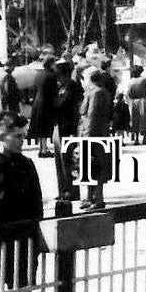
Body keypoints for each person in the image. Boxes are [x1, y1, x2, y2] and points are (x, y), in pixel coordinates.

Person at [0, 111, 48, 292]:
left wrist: (37, 234)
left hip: (24, 238)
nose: (22, 141)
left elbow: (37, 202)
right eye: (16, 137)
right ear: (1, 136)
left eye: (24, 136)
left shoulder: (27, 164)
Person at [77, 67, 114, 209]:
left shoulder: (96, 93)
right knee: (90, 167)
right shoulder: (98, 92)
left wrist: (85, 137)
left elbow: (92, 116)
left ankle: (97, 198)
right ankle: (90, 197)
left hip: (93, 134)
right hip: (98, 133)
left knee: (95, 167)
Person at [53, 60, 84, 203]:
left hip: (68, 128)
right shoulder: (61, 87)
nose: (58, 78)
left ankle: (71, 190)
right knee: (60, 161)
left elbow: (73, 109)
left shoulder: (73, 87)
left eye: (59, 75)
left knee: (69, 161)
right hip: (59, 127)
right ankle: (62, 189)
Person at [28, 56, 58, 157]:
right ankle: (44, 150)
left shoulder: (39, 74)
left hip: (37, 102)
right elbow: (54, 91)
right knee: (45, 127)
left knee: (40, 126)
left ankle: (42, 148)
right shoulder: (52, 75)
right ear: (51, 64)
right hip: (47, 103)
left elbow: (34, 89)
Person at [125, 65, 146, 144]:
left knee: (135, 120)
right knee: (144, 119)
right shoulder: (144, 80)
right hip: (144, 101)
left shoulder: (131, 81)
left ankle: (136, 138)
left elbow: (128, 93)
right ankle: (144, 138)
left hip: (134, 102)